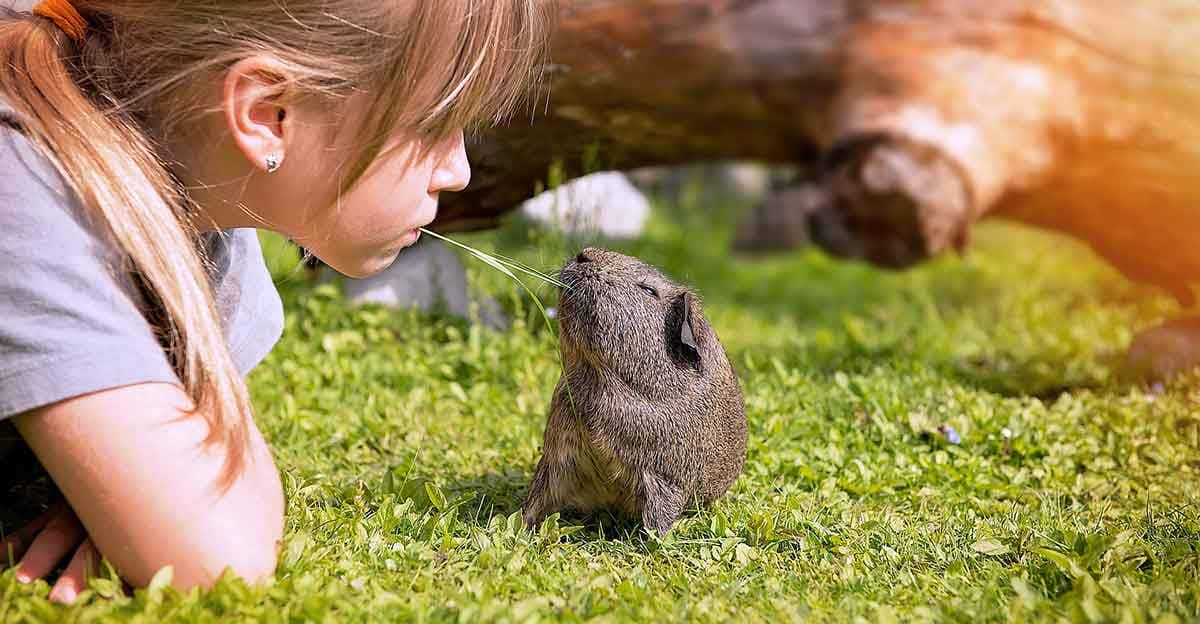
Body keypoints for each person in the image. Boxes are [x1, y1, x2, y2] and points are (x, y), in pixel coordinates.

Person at [0, 0, 553, 604]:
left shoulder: (205, 198)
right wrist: (159, 496)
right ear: (267, 114)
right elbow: (220, 557)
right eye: (431, 127)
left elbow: (197, 475)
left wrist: (118, 484)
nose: (458, 171)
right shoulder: (23, 186)